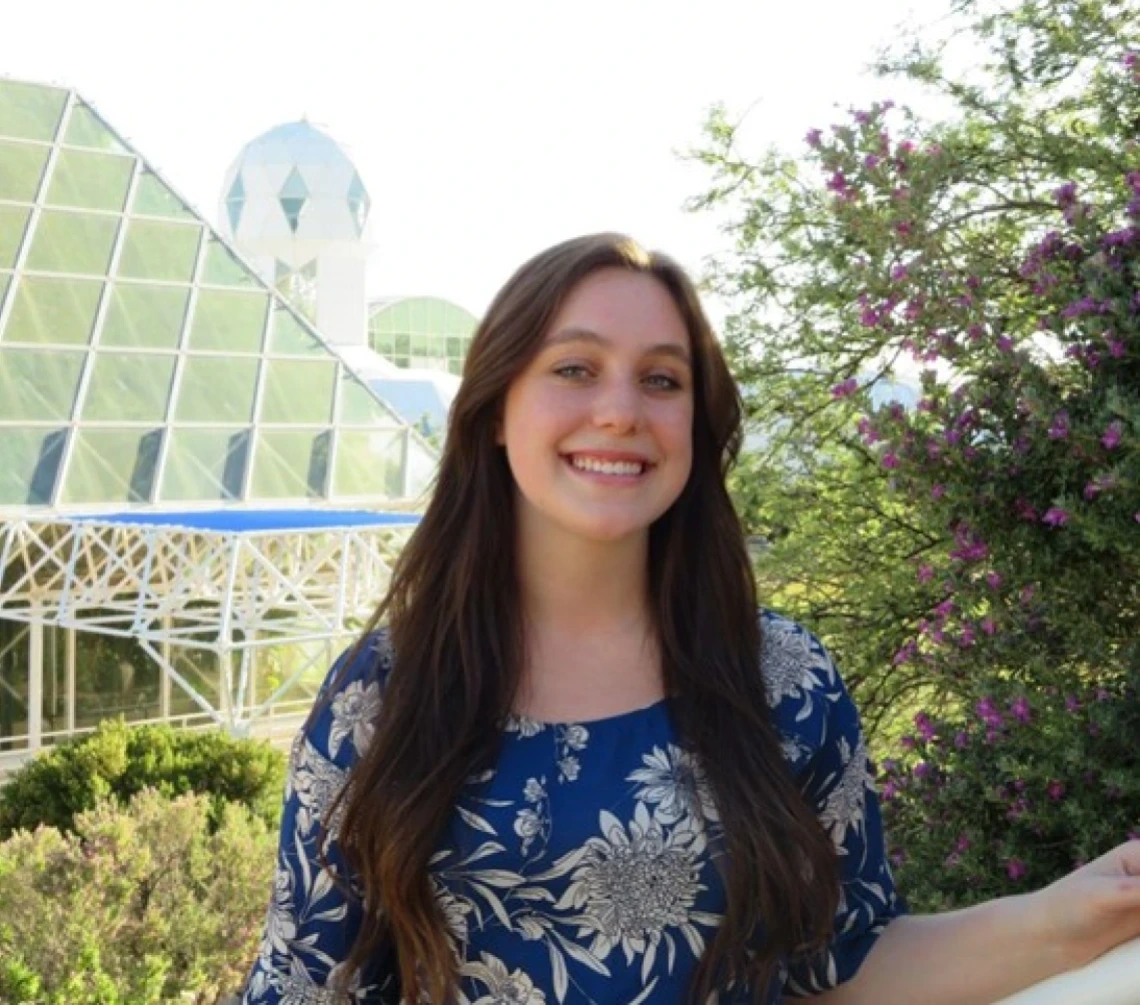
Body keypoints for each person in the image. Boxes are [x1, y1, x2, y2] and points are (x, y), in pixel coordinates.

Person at [242, 233, 1140, 1005]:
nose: (620, 410)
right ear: (493, 415)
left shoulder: (785, 681)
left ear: (697, 424)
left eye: (662, 380)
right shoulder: (387, 691)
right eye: (574, 368)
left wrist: (1073, 916)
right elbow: (302, 980)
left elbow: (844, 968)